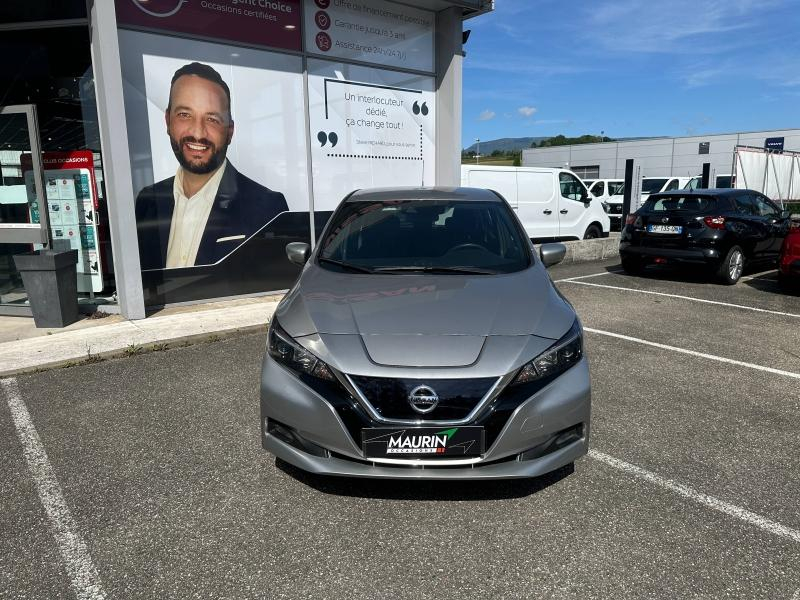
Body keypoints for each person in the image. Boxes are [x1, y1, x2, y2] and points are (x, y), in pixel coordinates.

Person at [135, 62, 288, 270]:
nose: (198, 133)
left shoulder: (268, 208)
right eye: (184, 115)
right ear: (167, 121)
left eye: (212, 119)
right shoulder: (147, 202)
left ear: (230, 131)